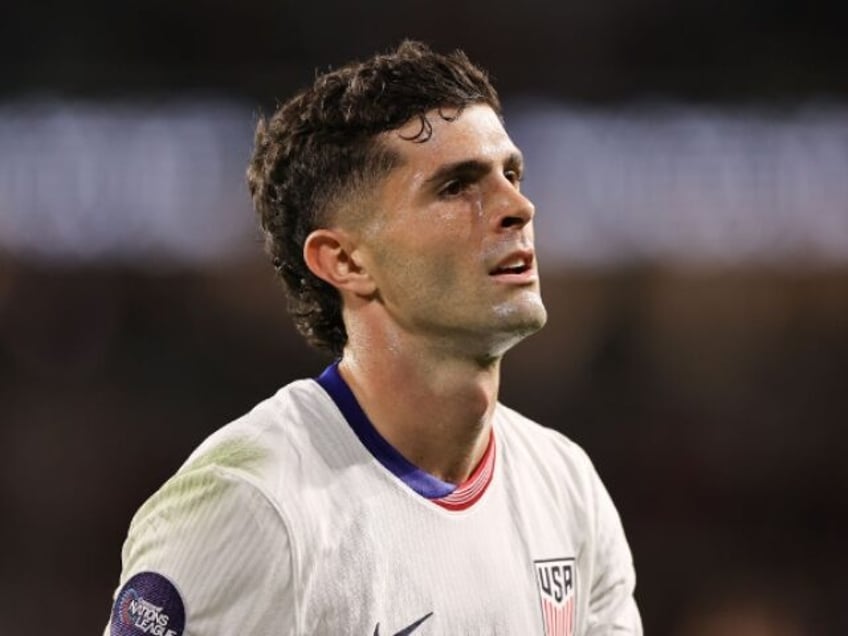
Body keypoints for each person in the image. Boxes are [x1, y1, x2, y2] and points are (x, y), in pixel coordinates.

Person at [105, 40, 641, 635]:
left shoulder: (565, 489)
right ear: (345, 261)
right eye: (456, 187)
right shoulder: (251, 504)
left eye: (510, 174)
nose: (518, 206)